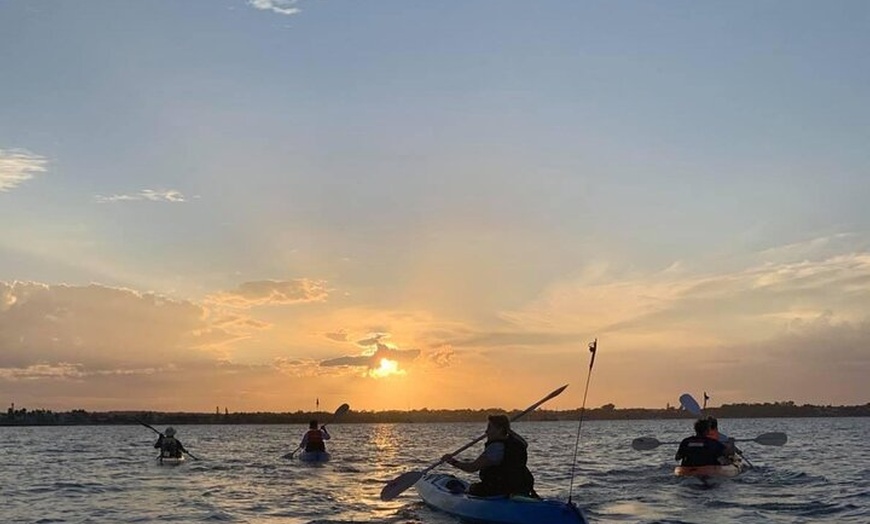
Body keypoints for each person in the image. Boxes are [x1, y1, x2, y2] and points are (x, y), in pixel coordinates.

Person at [441, 414, 537, 497]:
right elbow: (522, 441)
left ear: (500, 430)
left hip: (497, 489)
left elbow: (472, 468)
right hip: (521, 488)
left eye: (490, 427)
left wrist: (452, 461)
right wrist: (507, 429)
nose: (486, 431)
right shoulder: (520, 443)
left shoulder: (496, 448)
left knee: (463, 487)